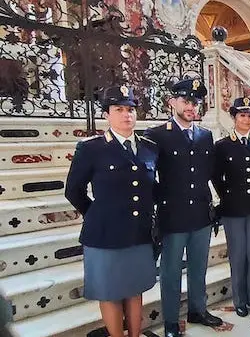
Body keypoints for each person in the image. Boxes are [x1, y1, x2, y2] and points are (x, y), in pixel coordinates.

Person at [65, 85, 158, 337]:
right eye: (119, 109)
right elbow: (73, 190)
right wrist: (96, 214)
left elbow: (152, 189)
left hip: (138, 234)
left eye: (130, 109)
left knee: (135, 288)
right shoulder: (92, 148)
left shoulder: (149, 148)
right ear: (107, 114)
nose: (127, 115)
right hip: (104, 235)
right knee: (110, 292)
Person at [144, 79, 222, 337]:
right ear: (172, 102)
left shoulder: (204, 135)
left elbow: (209, 173)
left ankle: (198, 310)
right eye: (186, 101)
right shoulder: (156, 135)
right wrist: (160, 201)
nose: (191, 106)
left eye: (195, 102)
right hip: (173, 215)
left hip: (201, 214)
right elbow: (146, 177)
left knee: (199, 267)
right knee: (171, 272)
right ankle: (170, 322)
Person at [211, 97, 250, 320]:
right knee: (237, 255)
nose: (246, 119)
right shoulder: (222, 146)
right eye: (242, 115)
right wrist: (227, 195)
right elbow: (216, 177)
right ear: (234, 117)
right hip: (233, 207)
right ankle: (239, 300)